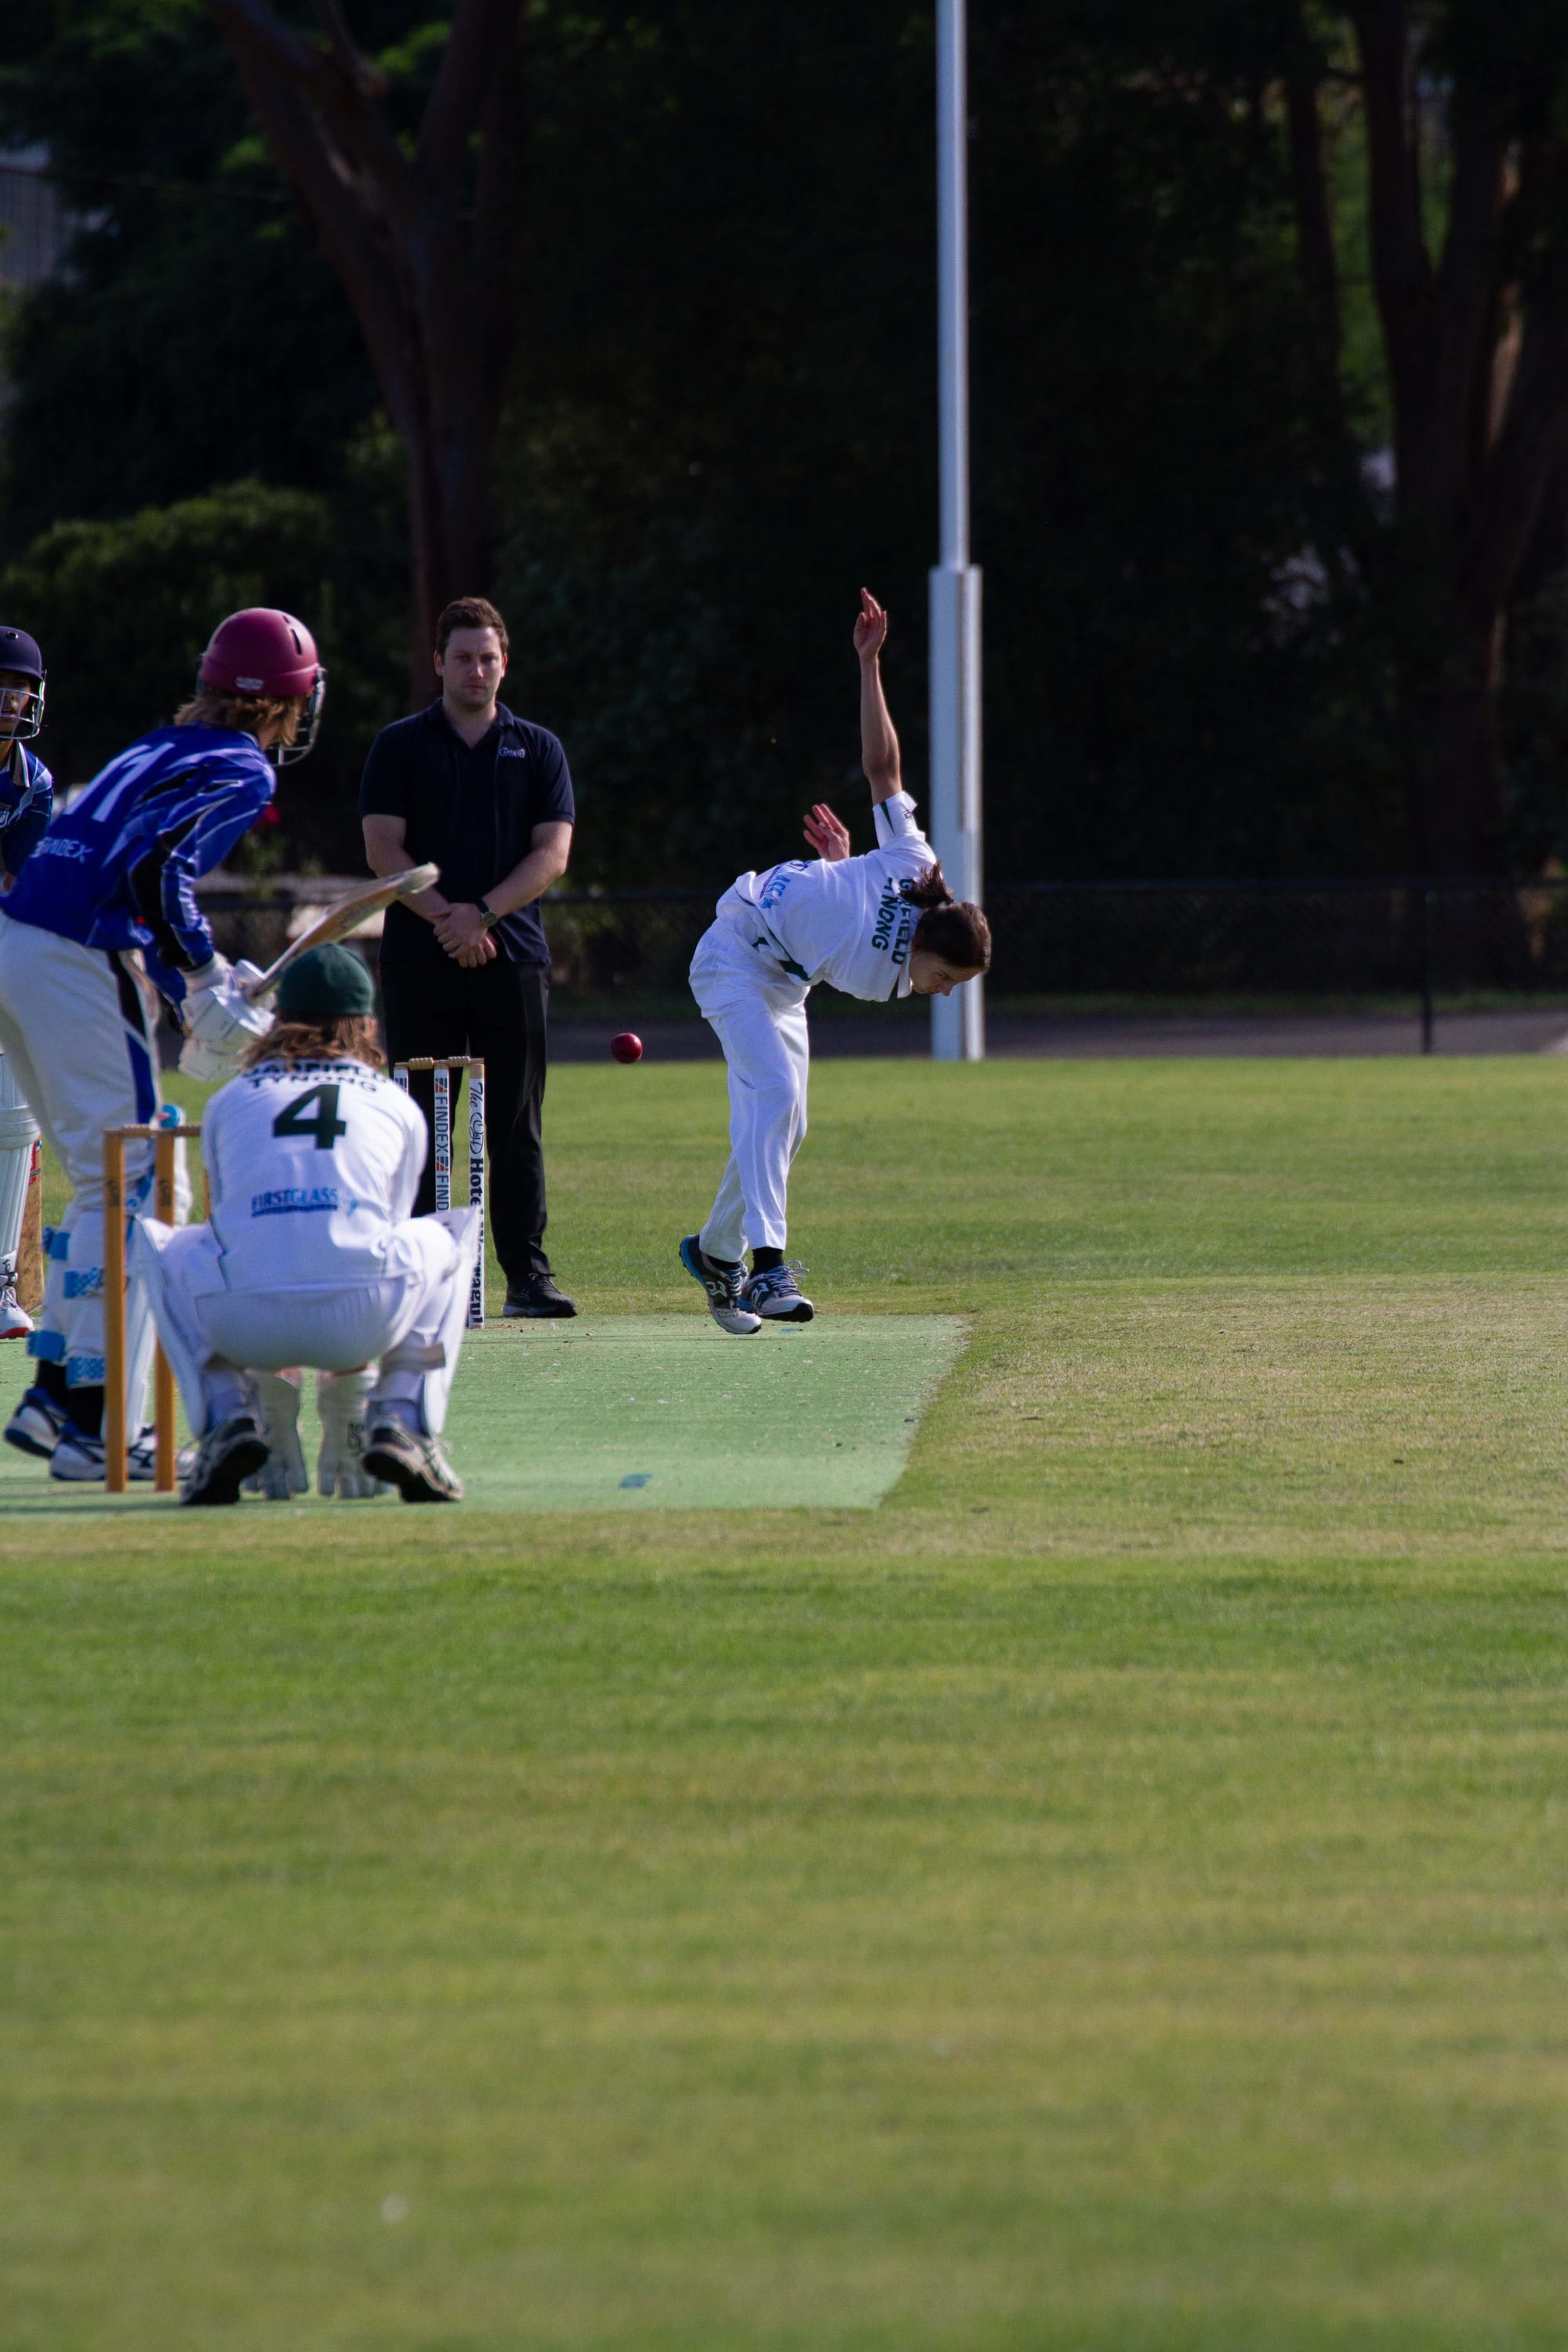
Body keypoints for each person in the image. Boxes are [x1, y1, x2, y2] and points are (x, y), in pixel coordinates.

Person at [0, 606, 324, 1479]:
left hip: (16, 942)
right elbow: (157, 871)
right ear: (286, 703)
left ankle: (58, 1403)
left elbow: (128, 864)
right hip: (72, 951)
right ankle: (101, 1422)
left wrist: (183, 980)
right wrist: (209, 973)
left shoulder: (161, 745)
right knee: (141, 1175)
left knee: (106, 1178)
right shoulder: (242, 767)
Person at [681, 590, 991, 1335]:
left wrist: (842, 869)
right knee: (777, 1096)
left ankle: (715, 1251)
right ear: (928, 946)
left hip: (783, 984)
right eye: (945, 980)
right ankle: (765, 1270)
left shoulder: (893, 939)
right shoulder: (911, 866)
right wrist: (869, 665)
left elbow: (845, 921)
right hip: (730, 956)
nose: (940, 996)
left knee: (785, 1122)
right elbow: (884, 767)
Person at [131, 945, 477, 1507]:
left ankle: (226, 1419)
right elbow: (383, 1227)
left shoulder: (229, 1099)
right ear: (365, 1023)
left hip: (241, 1322)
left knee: (163, 1241)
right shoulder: (395, 1102)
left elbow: (231, 1223)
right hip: (366, 1320)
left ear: (278, 1018)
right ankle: (401, 1417)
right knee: (451, 1231)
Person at [360, 595, 577, 1320]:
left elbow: (553, 855)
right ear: (438, 663)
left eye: (487, 658)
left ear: (504, 663)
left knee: (515, 1119)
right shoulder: (399, 744)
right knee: (420, 1118)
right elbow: (383, 849)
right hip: (420, 958)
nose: (475, 670)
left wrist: (480, 914)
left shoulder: (538, 747)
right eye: (462, 657)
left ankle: (527, 1277)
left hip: (510, 955)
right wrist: (445, 918)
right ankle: (417, 1275)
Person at [0, 625, 54, 1341]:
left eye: (20, 685)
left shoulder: (32, 781)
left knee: (16, 1113)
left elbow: (19, 883)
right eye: (0, 683)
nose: (10, 697)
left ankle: (2, 1278)